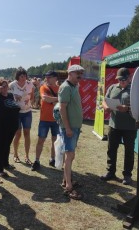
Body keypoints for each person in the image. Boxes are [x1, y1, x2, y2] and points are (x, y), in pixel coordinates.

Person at [101, 67, 137, 185]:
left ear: (129, 78)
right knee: (111, 149)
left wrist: (127, 109)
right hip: (114, 125)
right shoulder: (112, 87)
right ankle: (110, 172)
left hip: (129, 127)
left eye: (123, 80)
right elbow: (104, 100)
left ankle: (127, 175)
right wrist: (105, 106)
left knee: (129, 151)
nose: (121, 82)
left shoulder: (134, 90)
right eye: (119, 79)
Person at [59, 65, 84, 200]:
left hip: (74, 127)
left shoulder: (74, 86)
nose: (80, 75)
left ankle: (66, 180)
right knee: (69, 155)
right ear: (70, 73)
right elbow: (63, 109)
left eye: (81, 73)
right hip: (69, 128)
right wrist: (67, 128)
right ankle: (68, 186)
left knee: (70, 155)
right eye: (78, 73)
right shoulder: (66, 87)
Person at [0, 79, 20, 178]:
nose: (6, 88)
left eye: (6, 86)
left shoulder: (10, 95)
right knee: (0, 146)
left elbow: (12, 106)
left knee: (7, 144)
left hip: (11, 125)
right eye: (3, 86)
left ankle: (6, 163)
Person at [31, 70, 59, 171]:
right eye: (46, 77)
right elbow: (45, 98)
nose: (46, 79)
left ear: (55, 78)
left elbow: (64, 100)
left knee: (55, 141)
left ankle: (53, 159)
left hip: (56, 120)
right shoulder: (43, 87)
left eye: (49, 77)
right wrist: (58, 99)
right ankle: (37, 161)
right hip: (44, 119)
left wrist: (53, 99)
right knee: (41, 140)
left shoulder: (60, 88)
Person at [9, 67, 34, 164]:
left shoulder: (29, 84)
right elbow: (8, 98)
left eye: (25, 76)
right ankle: (15, 155)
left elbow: (32, 95)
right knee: (18, 134)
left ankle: (27, 156)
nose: (24, 78)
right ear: (18, 76)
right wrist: (15, 97)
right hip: (16, 113)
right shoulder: (12, 85)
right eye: (21, 76)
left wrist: (30, 102)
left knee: (27, 133)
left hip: (27, 112)